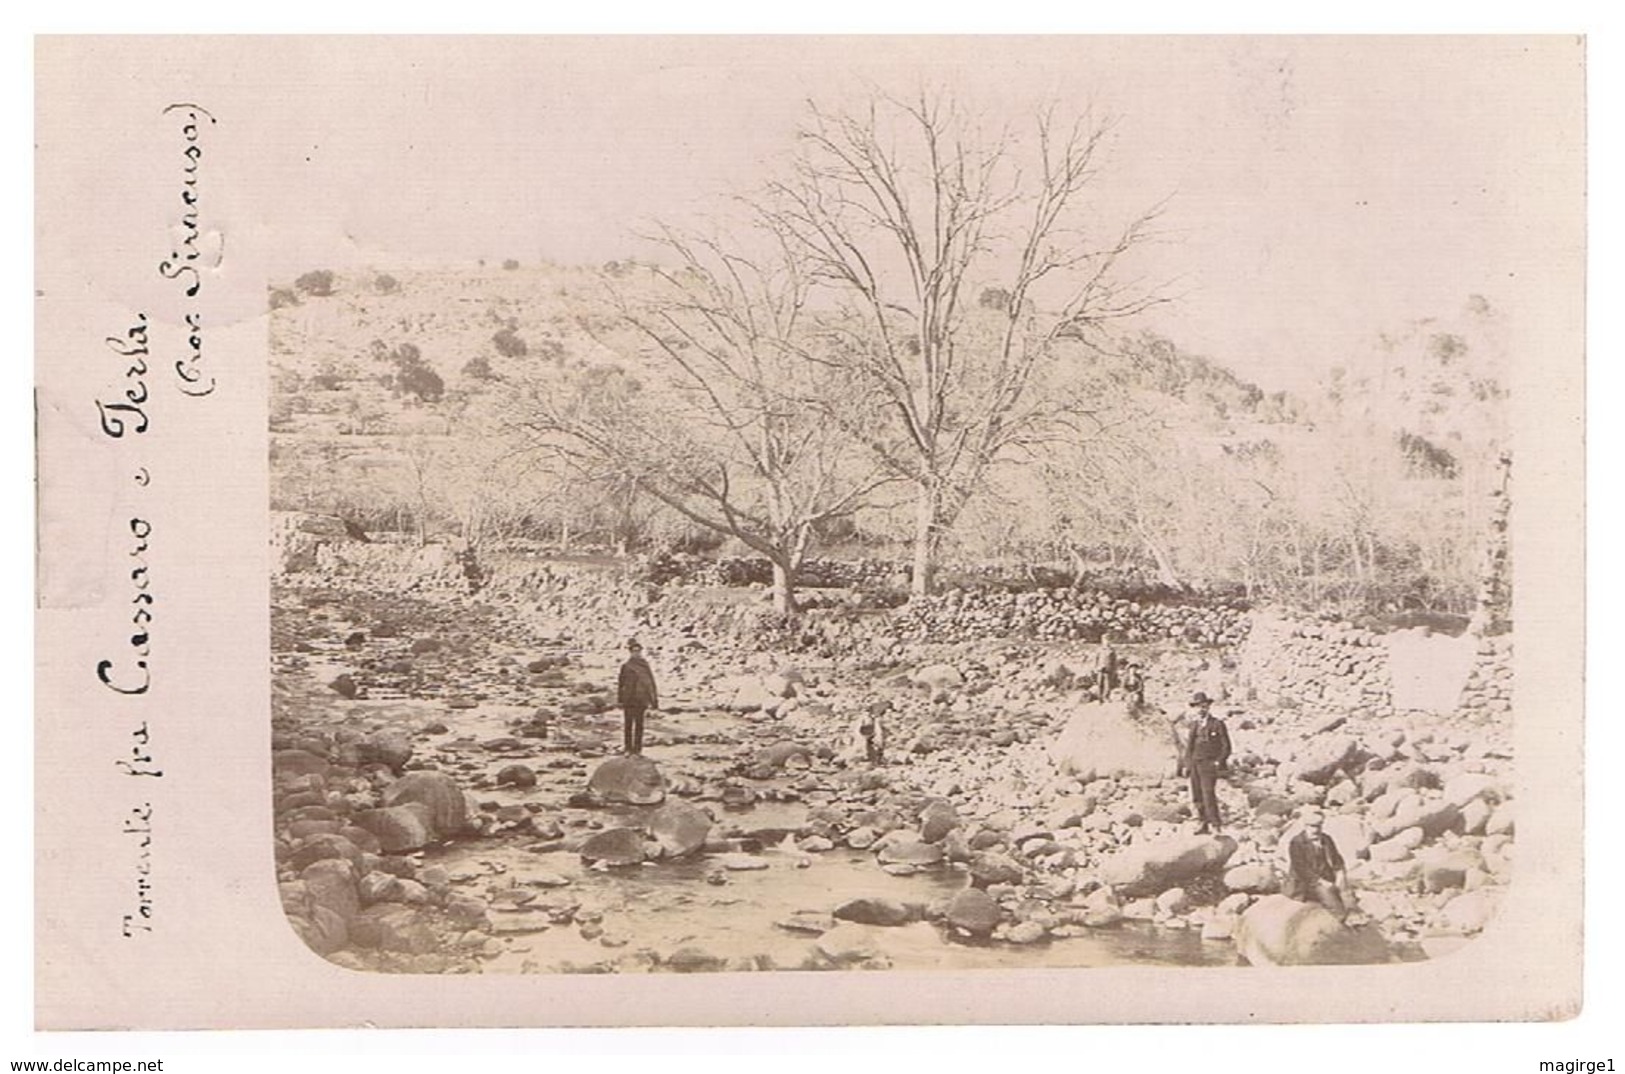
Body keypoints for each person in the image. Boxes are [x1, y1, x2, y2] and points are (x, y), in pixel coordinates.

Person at [1287, 808, 1352, 921]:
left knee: (1346, 891)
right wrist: (1322, 882)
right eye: (1312, 826)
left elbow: (1336, 859)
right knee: (1330, 899)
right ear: (1305, 826)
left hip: (1327, 877)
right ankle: (1342, 920)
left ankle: (1354, 913)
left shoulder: (1326, 839)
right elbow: (1301, 869)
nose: (1316, 830)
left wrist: (1340, 875)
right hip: (1308, 882)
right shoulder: (1296, 842)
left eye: (1318, 826)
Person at [1184, 692, 1231, 833]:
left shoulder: (1217, 724)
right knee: (1196, 795)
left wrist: (1218, 761)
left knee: (1208, 794)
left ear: (1208, 706)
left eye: (1203, 706)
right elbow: (1189, 747)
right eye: (1197, 706)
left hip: (1209, 764)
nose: (1200, 709)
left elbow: (1226, 747)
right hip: (1195, 763)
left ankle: (1215, 824)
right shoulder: (1194, 725)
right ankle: (1202, 823)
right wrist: (1188, 765)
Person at [616, 639, 658, 755]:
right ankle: (628, 748)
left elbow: (650, 682)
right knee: (628, 725)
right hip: (629, 699)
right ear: (630, 652)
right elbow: (621, 684)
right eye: (634, 651)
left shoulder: (645, 666)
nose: (637, 653)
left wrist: (654, 700)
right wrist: (620, 699)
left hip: (641, 699)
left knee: (639, 725)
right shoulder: (626, 666)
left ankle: (638, 749)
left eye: (638, 651)